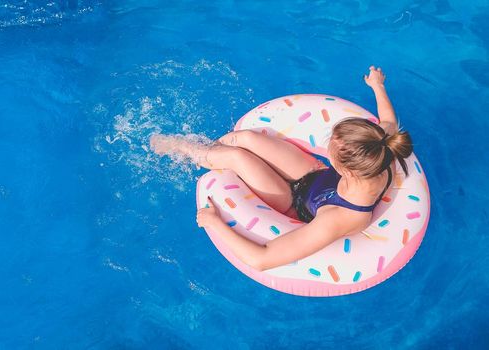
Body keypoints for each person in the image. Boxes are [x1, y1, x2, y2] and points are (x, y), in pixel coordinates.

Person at [149, 66, 414, 271]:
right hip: (311, 174)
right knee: (247, 139)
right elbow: (388, 121)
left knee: (237, 157)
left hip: (291, 204)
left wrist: (214, 223)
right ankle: (207, 154)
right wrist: (377, 85)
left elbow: (261, 259)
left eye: (332, 147)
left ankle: (181, 148)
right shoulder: (382, 148)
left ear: (345, 168)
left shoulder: (341, 219)